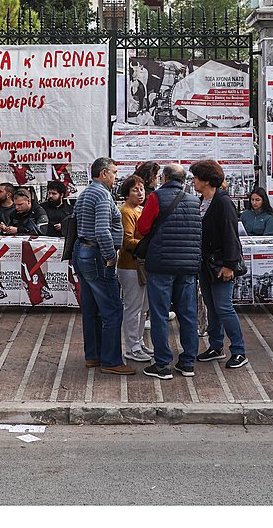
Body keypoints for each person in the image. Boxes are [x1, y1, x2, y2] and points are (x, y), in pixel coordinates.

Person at [71, 157, 134, 375]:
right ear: (104, 173)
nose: (116, 177)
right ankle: (111, 360)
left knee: (91, 308)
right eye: (114, 172)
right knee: (112, 310)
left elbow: (74, 220)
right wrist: (110, 255)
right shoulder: (102, 195)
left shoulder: (87, 192)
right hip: (97, 254)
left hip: (83, 252)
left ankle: (94, 355)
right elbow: (101, 230)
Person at [138, 163, 201, 381]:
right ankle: (188, 362)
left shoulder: (156, 198)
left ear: (164, 177)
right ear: (183, 180)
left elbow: (143, 228)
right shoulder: (195, 201)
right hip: (187, 266)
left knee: (160, 315)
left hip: (161, 265)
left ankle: (163, 364)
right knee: (188, 314)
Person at [191, 159, 247, 368]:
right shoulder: (202, 201)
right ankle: (216, 346)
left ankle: (239, 350)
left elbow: (230, 235)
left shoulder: (222, 202)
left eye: (196, 177)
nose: (194, 181)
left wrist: (229, 265)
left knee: (224, 307)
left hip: (221, 264)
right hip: (205, 264)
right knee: (212, 306)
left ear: (206, 180)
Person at [116, 175, 151, 363]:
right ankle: (131, 347)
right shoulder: (126, 211)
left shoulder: (141, 210)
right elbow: (127, 240)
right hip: (130, 266)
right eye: (135, 189)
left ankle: (138, 342)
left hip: (142, 265)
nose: (140, 193)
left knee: (143, 307)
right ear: (127, 192)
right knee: (133, 307)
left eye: (142, 189)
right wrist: (149, 245)